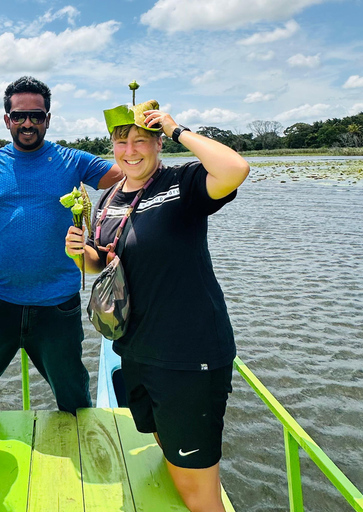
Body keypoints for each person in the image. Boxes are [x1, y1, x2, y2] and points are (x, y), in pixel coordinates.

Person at [65, 100, 249, 512]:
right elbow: (104, 262)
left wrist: (175, 126)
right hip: (136, 351)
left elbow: (235, 169)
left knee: (200, 494)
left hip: (189, 355)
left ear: (158, 144)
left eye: (142, 140)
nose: (130, 150)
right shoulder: (109, 196)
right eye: (121, 141)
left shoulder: (181, 185)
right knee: (172, 463)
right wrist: (80, 253)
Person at [0, 76, 123, 414]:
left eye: (37, 116)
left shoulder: (73, 162)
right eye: (19, 116)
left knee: (75, 404)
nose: (28, 123)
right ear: (7, 120)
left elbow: (132, 176)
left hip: (58, 308)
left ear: (48, 119)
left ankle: (82, 464)